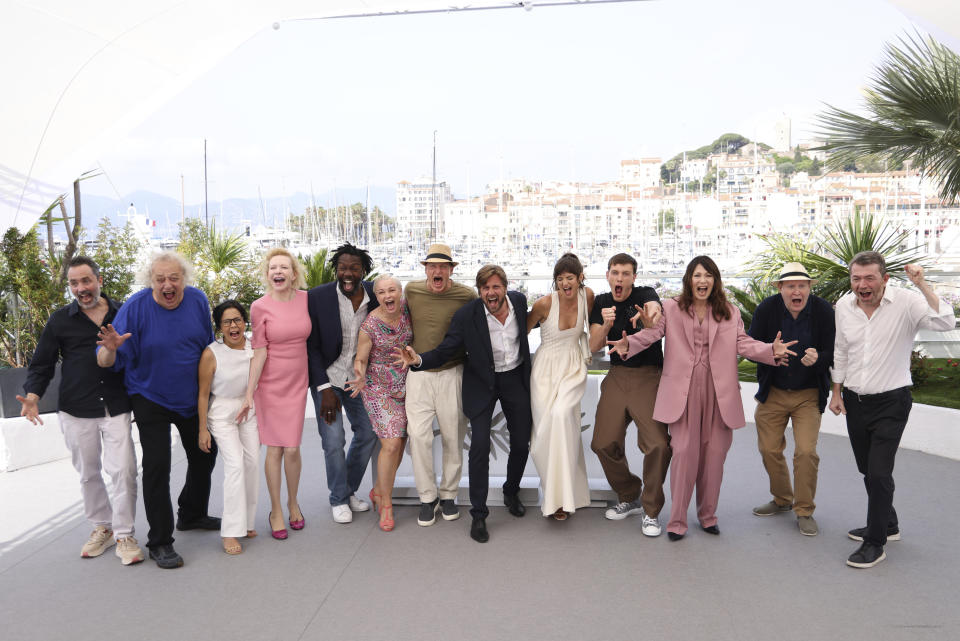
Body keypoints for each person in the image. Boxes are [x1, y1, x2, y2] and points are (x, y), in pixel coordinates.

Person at [608, 256, 796, 540]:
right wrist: (628, 344)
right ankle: (677, 521)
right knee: (683, 453)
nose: (702, 281)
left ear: (715, 281)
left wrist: (771, 350)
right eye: (697, 275)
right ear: (689, 279)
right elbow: (652, 333)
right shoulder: (672, 308)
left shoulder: (730, 312)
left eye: (708, 276)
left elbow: (743, 344)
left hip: (719, 395)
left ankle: (708, 516)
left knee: (714, 457)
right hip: (681, 394)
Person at [829, 253, 956, 569]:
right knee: (866, 468)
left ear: (884, 279)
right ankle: (888, 522)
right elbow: (841, 350)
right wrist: (836, 391)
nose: (862, 285)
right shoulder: (844, 307)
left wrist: (923, 284)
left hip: (892, 402)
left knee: (879, 472)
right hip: (855, 402)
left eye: (869, 278)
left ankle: (875, 543)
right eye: (856, 278)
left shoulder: (907, 302)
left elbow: (945, 321)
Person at [97, 251, 219, 569]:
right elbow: (104, 358)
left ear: (184, 280)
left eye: (174, 278)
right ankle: (160, 542)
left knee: (205, 453)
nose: (168, 284)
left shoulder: (197, 300)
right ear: (151, 281)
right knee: (157, 466)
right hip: (149, 395)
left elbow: (206, 346)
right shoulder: (135, 307)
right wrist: (109, 351)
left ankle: (191, 513)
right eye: (160, 279)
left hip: (191, 396)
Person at [19, 256, 143, 565]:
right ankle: (102, 526)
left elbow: (141, 353)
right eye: (74, 283)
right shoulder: (60, 320)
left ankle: (125, 534)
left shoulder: (122, 312)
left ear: (99, 280)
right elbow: (42, 364)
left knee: (124, 470)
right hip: (75, 408)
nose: (81, 288)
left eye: (86, 281)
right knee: (89, 474)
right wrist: (33, 396)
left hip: (116, 405)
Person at [396, 264, 531, 543]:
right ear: (479, 291)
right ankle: (479, 515)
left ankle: (510, 490)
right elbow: (447, 349)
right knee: (479, 445)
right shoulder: (467, 315)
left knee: (520, 442)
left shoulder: (519, 301)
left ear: (505, 288)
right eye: (485, 288)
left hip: (514, 379)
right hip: (481, 383)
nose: (491, 293)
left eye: (496, 287)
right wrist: (419, 361)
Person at [748, 262, 835, 537]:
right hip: (773, 392)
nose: (796, 291)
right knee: (769, 450)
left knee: (806, 452)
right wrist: (769, 352)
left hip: (808, 396)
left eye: (801, 285)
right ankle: (783, 499)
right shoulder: (767, 309)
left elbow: (834, 351)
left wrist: (818, 358)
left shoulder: (823, 311)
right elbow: (750, 346)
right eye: (790, 286)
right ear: (780, 288)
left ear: (809, 287)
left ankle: (804, 510)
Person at [587, 252, 669, 536]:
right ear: (607, 275)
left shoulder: (645, 293)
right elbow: (594, 346)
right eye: (615, 272)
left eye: (625, 273)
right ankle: (629, 493)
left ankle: (651, 510)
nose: (619, 278)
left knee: (658, 444)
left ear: (633, 277)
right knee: (601, 443)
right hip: (617, 377)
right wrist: (607, 324)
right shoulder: (600, 302)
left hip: (648, 376)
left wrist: (649, 319)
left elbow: (654, 315)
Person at [238, 248, 311, 540]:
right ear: (268, 274)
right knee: (275, 448)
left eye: (284, 267)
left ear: (294, 274)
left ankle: (294, 503)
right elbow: (259, 350)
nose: (278, 271)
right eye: (273, 268)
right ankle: (276, 509)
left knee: (292, 447)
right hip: (270, 384)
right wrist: (249, 393)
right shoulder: (259, 307)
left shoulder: (308, 300)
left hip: (297, 381)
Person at [402, 243, 477, 527]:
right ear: (425, 269)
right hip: (418, 374)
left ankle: (448, 495)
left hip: (451, 374)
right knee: (418, 436)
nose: (437, 271)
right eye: (432, 266)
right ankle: (426, 497)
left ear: (451, 270)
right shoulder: (411, 290)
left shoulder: (466, 295)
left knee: (453, 438)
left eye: (443, 267)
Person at [305, 243, 378, 524]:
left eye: (354, 268)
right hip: (329, 378)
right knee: (334, 440)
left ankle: (345, 491)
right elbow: (310, 347)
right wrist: (323, 388)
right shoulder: (318, 297)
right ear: (336, 269)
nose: (347, 273)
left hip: (359, 379)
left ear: (363, 270)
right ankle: (338, 499)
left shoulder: (374, 294)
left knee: (369, 432)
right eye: (343, 268)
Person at [526, 253, 594, 520]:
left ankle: (566, 498)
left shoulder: (587, 296)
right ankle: (556, 497)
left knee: (562, 415)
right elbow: (521, 329)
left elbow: (596, 327)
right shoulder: (544, 304)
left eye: (570, 278)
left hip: (572, 367)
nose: (565, 283)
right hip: (544, 371)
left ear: (579, 278)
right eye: (560, 279)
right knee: (544, 436)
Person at [347, 275, 412, 532]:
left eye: (392, 290)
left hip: (406, 383)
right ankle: (386, 502)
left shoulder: (407, 308)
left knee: (401, 441)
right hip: (377, 387)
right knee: (391, 442)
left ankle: (378, 490)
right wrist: (360, 374)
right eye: (382, 292)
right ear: (377, 296)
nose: (388, 295)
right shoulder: (370, 324)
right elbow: (361, 358)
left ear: (400, 292)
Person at [197, 300, 259, 554]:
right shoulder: (212, 353)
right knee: (235, 465)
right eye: (227, 322)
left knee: (253, 462)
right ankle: (230, 531)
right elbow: (202, 394)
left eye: (237, 320)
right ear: (219, 327)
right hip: (221, 413)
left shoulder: (255, 345)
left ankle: (246, 522)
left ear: (244, 321)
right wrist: (203, 429)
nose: (233, 326)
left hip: (248, 409)